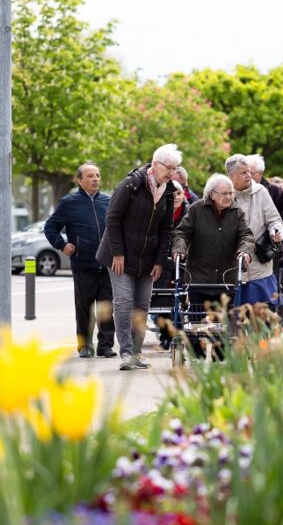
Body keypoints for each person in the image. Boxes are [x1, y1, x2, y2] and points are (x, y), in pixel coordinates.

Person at [96, 144, 182, 371]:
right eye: (169, 168)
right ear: (155, 165)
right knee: (124, 302)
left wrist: (160, 261)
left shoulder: (170, 190)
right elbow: (112, 218)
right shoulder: (131, 184)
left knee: (142, 304)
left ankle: (136, 352)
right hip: (120, 255)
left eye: (175, 169)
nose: (172, 173)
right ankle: (125, 353)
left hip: (148, 258)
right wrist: (118, 253)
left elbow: (167, 228)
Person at [172, 173, 255, 357]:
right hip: (198, 276)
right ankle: (196, 355)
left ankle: (221, 354)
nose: (229, 197)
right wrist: (180, 249)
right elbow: (182, 233)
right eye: (224, 193)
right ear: (211, 194)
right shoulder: (196, 209)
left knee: (224, 320)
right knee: (197, 318)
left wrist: (245, 251)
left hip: (227, 276)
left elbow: (246, 235)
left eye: (230, 193)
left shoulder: (236, 212)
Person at [44, 162, 116, 359]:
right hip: (83, 263)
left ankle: (105, 345)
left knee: (106, 306)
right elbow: (50, 227)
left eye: (98, 175)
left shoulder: (108, 201)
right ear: (80, 180)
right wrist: (62, 244)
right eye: (90, 176)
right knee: (84, 307)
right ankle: (84, 345)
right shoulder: (69, 202)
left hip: (106, 265)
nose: (95, 179)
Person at [225, 154, 283, 307]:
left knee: (260, 319)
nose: (249, 175)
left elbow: (275, 220)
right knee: (231, 318)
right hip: (229, 266)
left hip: (259, 268)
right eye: (244, 173)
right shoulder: (222, 193)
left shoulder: (261, 192)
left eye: (249, 171)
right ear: (231, 176)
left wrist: (276, 232)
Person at [153, 180, 190, 350]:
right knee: (162, 301)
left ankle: (179, 335)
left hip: (182, 263)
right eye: (173, 193)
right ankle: (165, 335)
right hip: (162, 261)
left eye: (179, 193)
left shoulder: (189, 213)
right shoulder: (159, 211)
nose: (176, 196)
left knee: (180, 302)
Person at [245, 155, 283, 262]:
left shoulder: (277, 192)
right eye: (245, 172)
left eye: (251, 173)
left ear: (260, 174)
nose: (248, 176)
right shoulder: (238, 190)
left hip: (268, 249)